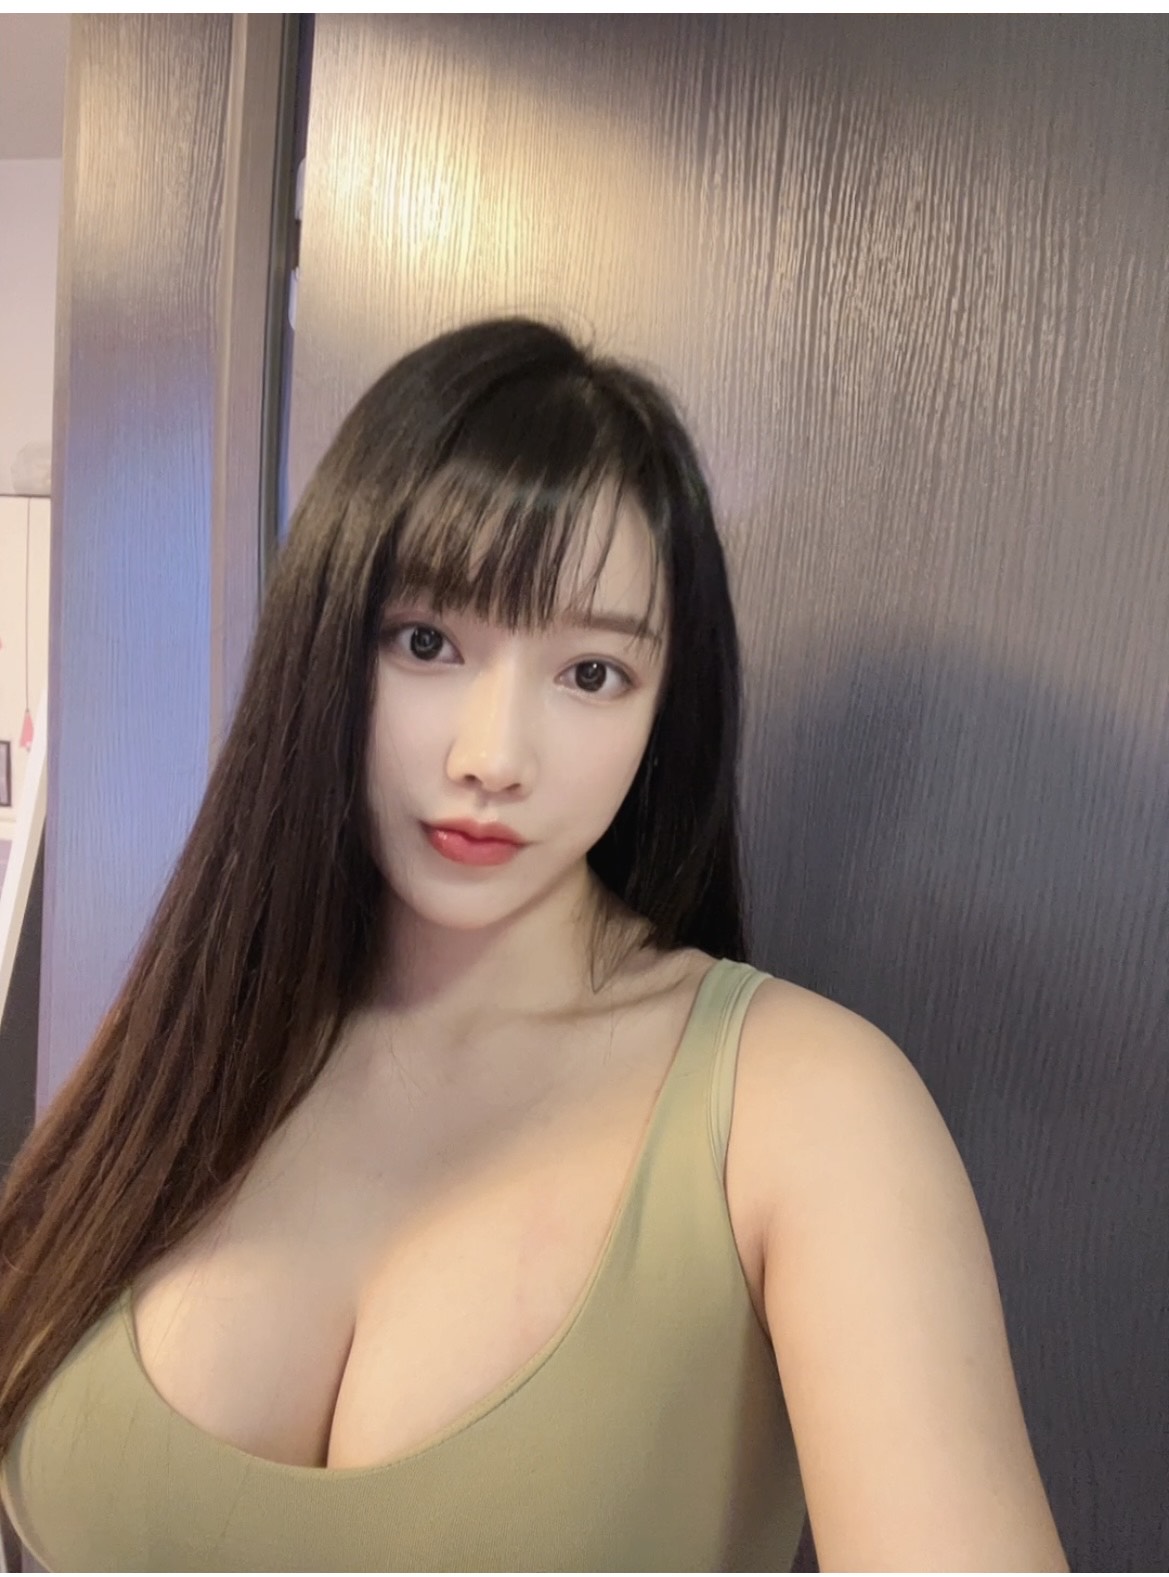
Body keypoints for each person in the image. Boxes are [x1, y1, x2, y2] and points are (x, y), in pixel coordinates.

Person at [0, 318, 1067, 1572]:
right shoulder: (182, 1049)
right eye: (428, 642)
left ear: (665, 709)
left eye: (591, 673)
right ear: (324, 644)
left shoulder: (804, 1109)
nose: (493, 757)